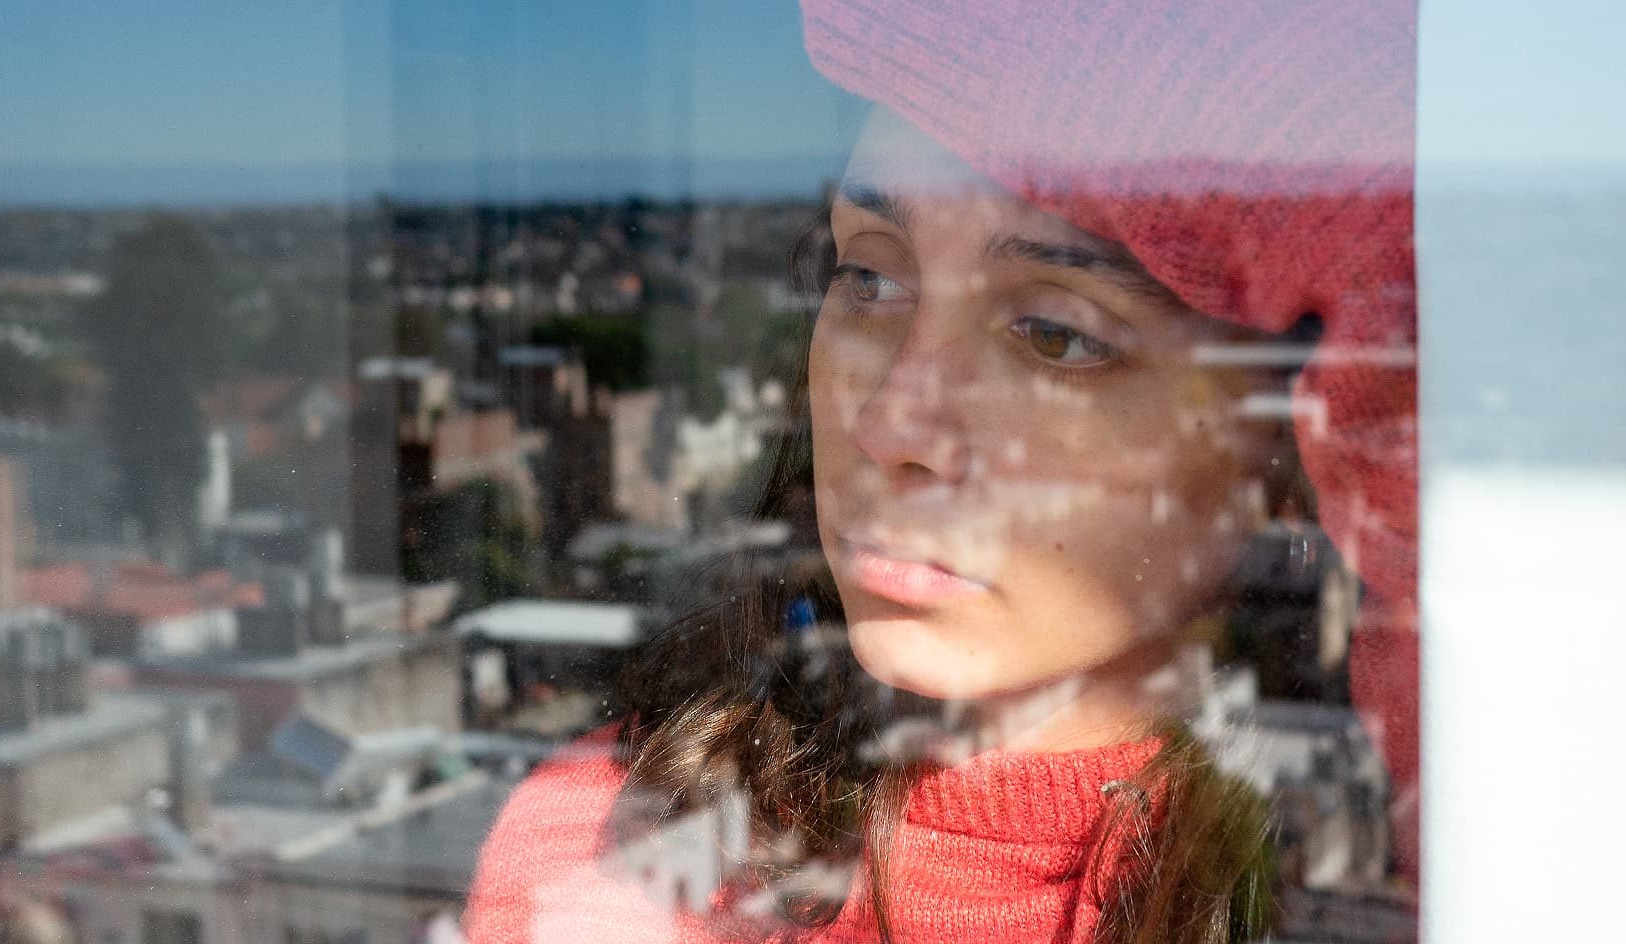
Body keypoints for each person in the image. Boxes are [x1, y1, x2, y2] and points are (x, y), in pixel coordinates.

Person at [464, 1, 1417, 941]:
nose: (889, 425)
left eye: (1056, 335)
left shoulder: (1452, 872)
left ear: (1290, 442)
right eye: (868, 278)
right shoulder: (598, 862)